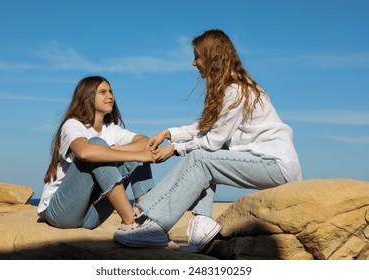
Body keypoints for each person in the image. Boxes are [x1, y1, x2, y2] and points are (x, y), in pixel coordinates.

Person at [114, 29, 302, 252]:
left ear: (213, 57)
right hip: (263, 162)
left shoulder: (236, 91)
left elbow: (212, 141)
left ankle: (155, 227)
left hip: (275, 166)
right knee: (205, 157)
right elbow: (205, 128)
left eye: (197, 56)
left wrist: (175, 149)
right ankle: (201, 222)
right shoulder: (231, 89)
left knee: (202, 158)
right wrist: (168, 133)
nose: (194, 63)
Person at [37, 75, 155, 230]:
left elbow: (145, 143)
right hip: (61, 212)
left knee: (131, 157)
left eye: (111, 92)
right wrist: (121, 152)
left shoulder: (111, 129)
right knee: (96, 146)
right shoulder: (73, 124)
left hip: (90, 217)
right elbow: (84, 152)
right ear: (87, 97)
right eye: (103, 92)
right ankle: (130, 223)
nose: (110, 96)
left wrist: (115, 149)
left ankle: (149, 218)